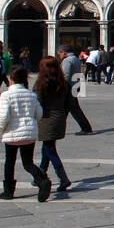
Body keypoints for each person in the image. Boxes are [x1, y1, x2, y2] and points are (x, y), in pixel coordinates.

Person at [0, 65, 49, 201]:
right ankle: (42, 180)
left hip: (12, 133)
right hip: (29, 133)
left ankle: (8, 191)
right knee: (28, 162)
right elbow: (40, 113)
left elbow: (4, 116)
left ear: (10, 78)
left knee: (10, 162)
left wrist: (0, 128)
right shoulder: (31, 95)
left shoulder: (6, 95)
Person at [33, 56, 76, 193]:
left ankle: (63, 178)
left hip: (46, 119)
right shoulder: (64, 83)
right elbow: (69, 103)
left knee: (50, 149)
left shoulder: (41, 84)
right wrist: (63, 115)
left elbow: (37, 103)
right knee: (47, 147)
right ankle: (40, 174)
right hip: (59, 117)